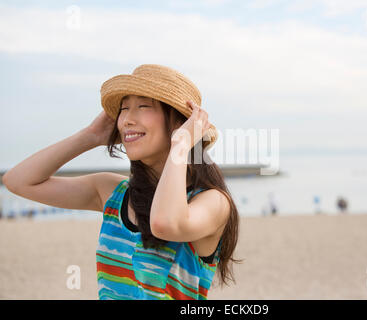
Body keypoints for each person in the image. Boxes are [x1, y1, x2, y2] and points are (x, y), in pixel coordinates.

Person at [2, 64, 242, 300]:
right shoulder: (112, 192)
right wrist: (90, 136)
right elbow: (18, 181)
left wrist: (180, 146)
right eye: (124, 109)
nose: (126, 119)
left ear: (180, 123)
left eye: (143, 106)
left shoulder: (213, 202)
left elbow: (165, 223)